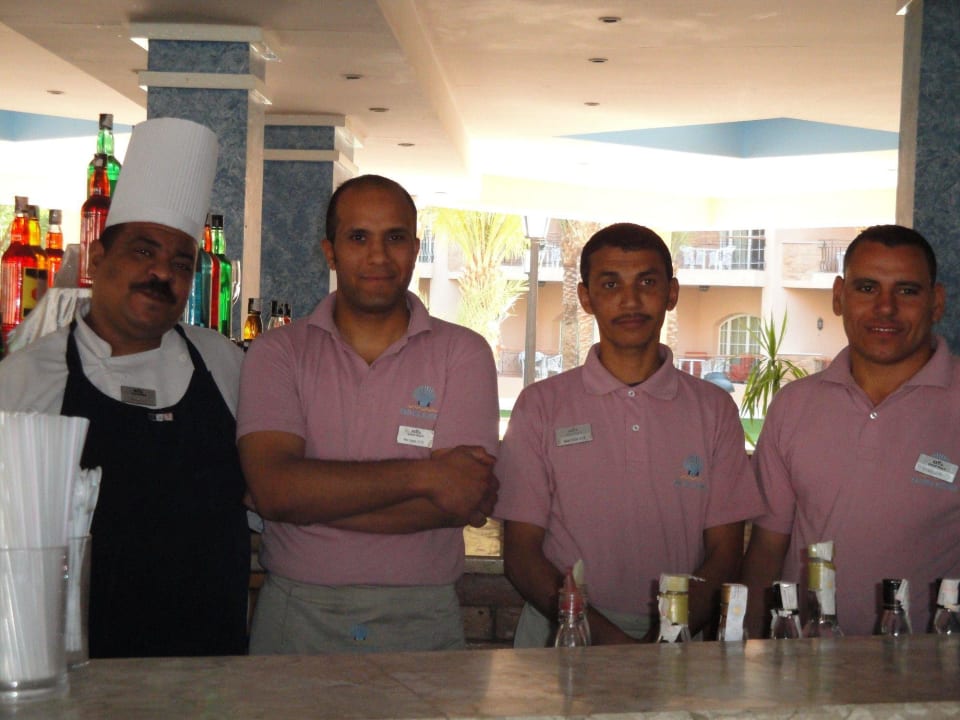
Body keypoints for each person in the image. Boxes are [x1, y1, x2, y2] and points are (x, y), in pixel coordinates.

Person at [0, 117, 250, 657]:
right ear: (97, 259)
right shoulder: (26, 380)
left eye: (180, 263)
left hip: (214, 671)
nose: (162, 273)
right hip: (81, 671)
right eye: (143, 251)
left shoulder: (225, 366)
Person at [237, 174, 500, 654]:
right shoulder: (278, 353)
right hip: (296, 614)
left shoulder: (463, 353)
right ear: (330, 252)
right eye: (358, 237)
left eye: (394, 238)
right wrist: (425, 477)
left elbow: (461, 499)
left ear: (415, 249)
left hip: (424, 616)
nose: (378, 256)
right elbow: (276, 491)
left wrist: (305, 503)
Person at [494, 223, 763, 645]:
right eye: (610, 284)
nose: (630, 300)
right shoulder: (540, 406)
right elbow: (521, 554)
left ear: (672, 293)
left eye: (647, 282)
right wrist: (607, 641)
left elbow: (725, 553)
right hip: (560, 636)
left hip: (676, 641)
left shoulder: (714, 410)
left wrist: (665, 637)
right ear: (586, 298)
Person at [742, 224, 960, 637]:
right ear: (839, 296)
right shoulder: (794, 406)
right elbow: (766, 551)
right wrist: (743, 656)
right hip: (805, 663)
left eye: (906, 291)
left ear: (936, 302)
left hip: (930, 669)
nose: (885, 308)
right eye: (867, 288)